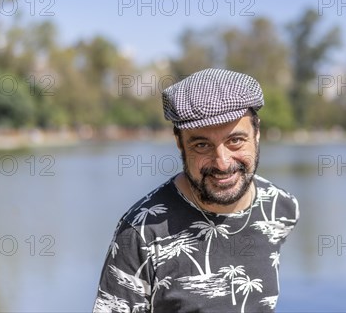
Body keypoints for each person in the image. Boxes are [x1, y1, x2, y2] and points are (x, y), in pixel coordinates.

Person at [92, 68, 300, 313]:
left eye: (235, 140)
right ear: (179, 143)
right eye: (202, 145)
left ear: (257, 133)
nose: (222, 162)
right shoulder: (141, 231)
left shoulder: (281, 208)